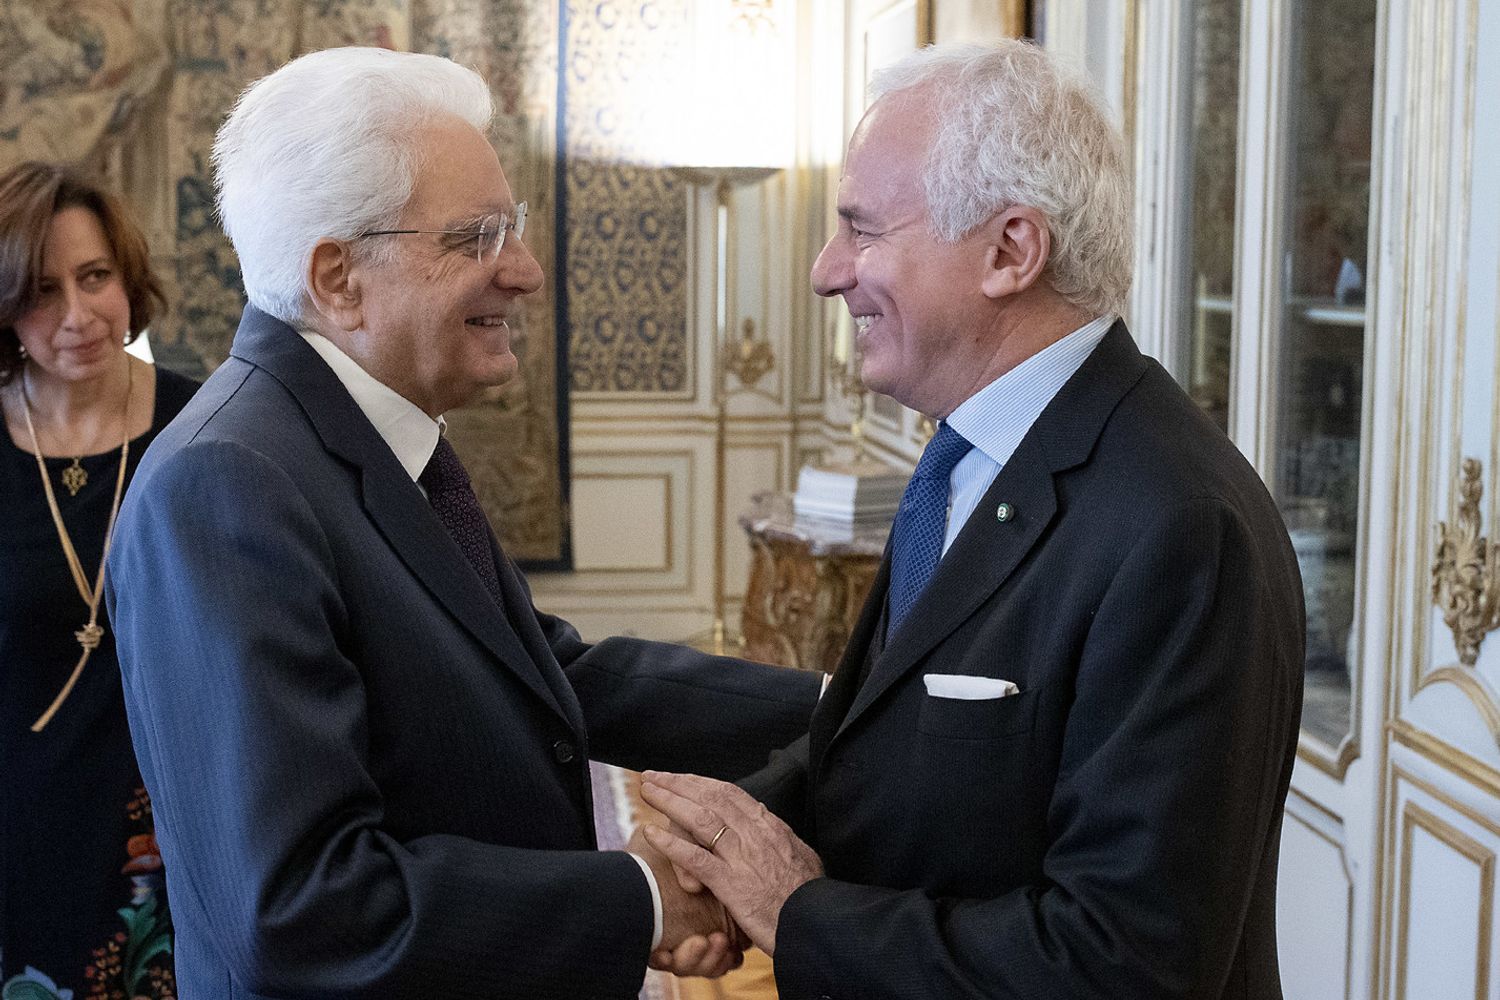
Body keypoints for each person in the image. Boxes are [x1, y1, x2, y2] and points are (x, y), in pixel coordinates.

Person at [104, 47, 822, 1000]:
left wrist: (838, 702)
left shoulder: (370, 437)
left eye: (512, 229)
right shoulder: (229, 485)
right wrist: (644, 898)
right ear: (339, 277)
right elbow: (304, 907)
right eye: (475, 237)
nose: (523, 271)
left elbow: (543, 676)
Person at [642, 40, 1306, 1000]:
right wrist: (721, 855)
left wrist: (801, 917)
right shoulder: (968, 457)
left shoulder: (1178, 528)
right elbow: (883, 741)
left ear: (1010, 252)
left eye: (862, 231)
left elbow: (1125, 965)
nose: (828, 272)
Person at [0, 162, 199, 997]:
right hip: (16, 810)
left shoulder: (207, 425)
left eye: (95, 278)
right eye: (43, 292)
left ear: (128, 277)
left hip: (163, 812)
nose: (77, 318)